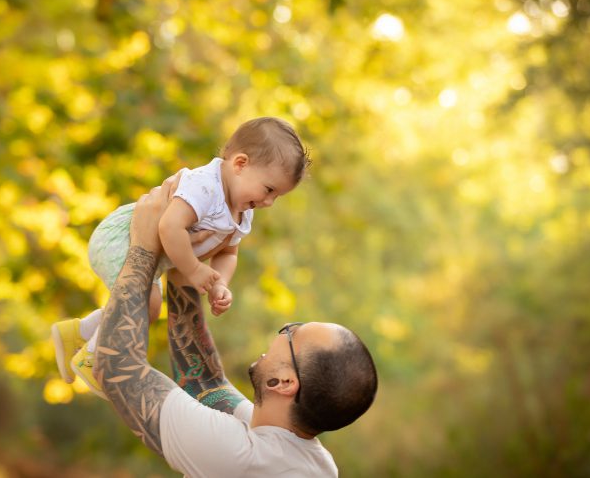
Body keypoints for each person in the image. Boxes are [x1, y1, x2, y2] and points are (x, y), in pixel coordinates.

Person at [82, 176, 379, 477]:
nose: (284, 328)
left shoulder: (240, 457)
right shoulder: (308, 460)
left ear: (285, 382)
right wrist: (186, 266)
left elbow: (117, 367)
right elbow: (203, 384)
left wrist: (143, 246)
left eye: (292, 333)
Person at [52, 117, 310, 396]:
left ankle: (77, 333)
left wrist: (220, 283)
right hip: (121, 239)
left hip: (148, 255)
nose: (268, 202)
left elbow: (228, 252)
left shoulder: (243, 211)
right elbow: (169, 226)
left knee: (149, 309)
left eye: (276, 197)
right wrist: (194, 269)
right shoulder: (205, 186)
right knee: (146, 304)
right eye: (269, 189)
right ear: (240, 164)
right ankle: (95, 357)